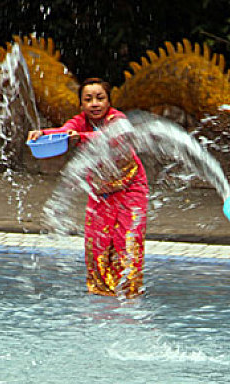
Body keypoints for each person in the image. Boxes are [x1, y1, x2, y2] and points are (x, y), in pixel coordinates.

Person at [28, 78, 148, 298]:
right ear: (81, 105)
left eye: (100, 98)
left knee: (126, 241)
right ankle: (102, 293)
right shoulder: (80, 121)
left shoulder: (117, 120)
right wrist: (43, 134)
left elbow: (110, 138)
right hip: (101, 191)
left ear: (109, 102)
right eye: (88, 99)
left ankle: (130, 293)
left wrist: (80, 137)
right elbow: (65, 131)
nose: (94, 104)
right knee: (96, 244)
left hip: (130, 187)